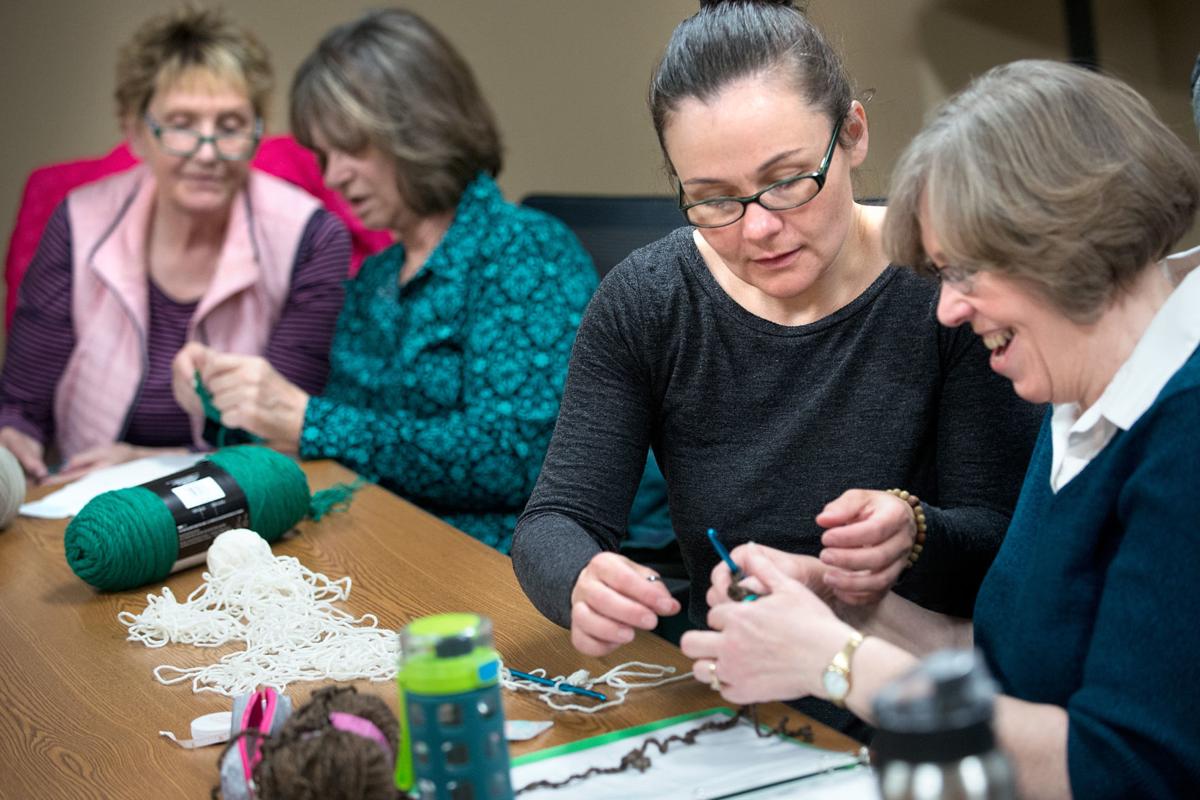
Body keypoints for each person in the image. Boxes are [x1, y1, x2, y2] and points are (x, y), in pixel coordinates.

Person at [511, 0, 1040, 732]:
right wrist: (582, 579)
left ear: (852, 134)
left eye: (788, 180)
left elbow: (1007, 554)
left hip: (920, 700)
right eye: (713, 201)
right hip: (739, 705)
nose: (758, 228)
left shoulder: (944, 284)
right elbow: (556, 520)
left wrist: (914, 531)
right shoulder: (649, 302)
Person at [683, 59, 1200, 798]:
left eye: (967, 272)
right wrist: (852, 612)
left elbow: (1119, 767)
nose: (950, 309)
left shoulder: (1183, 432)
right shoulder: (1078, 398)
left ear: (1067, 240)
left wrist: (837, 663)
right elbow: (1005, 662)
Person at [176, 9, 596, 551]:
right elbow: (334, 443)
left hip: (487, 564)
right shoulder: (377, 277)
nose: (333, 176)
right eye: (323, 156)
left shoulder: (524, 249)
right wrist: (224, 399)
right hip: (371, 543)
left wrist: (309, 420)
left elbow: (515, 457)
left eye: (352, 148)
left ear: (421, 127)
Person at [0, 7, 349, 484]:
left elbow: (281, 431)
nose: (206, 153)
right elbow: (21, 405)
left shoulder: (311, 238)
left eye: (230, 125)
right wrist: (14, 440)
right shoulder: (79, 221)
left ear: (256, 134)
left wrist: (152, 462)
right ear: (135, 131)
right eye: (182, 124)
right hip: (84, 493)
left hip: (240, 492)